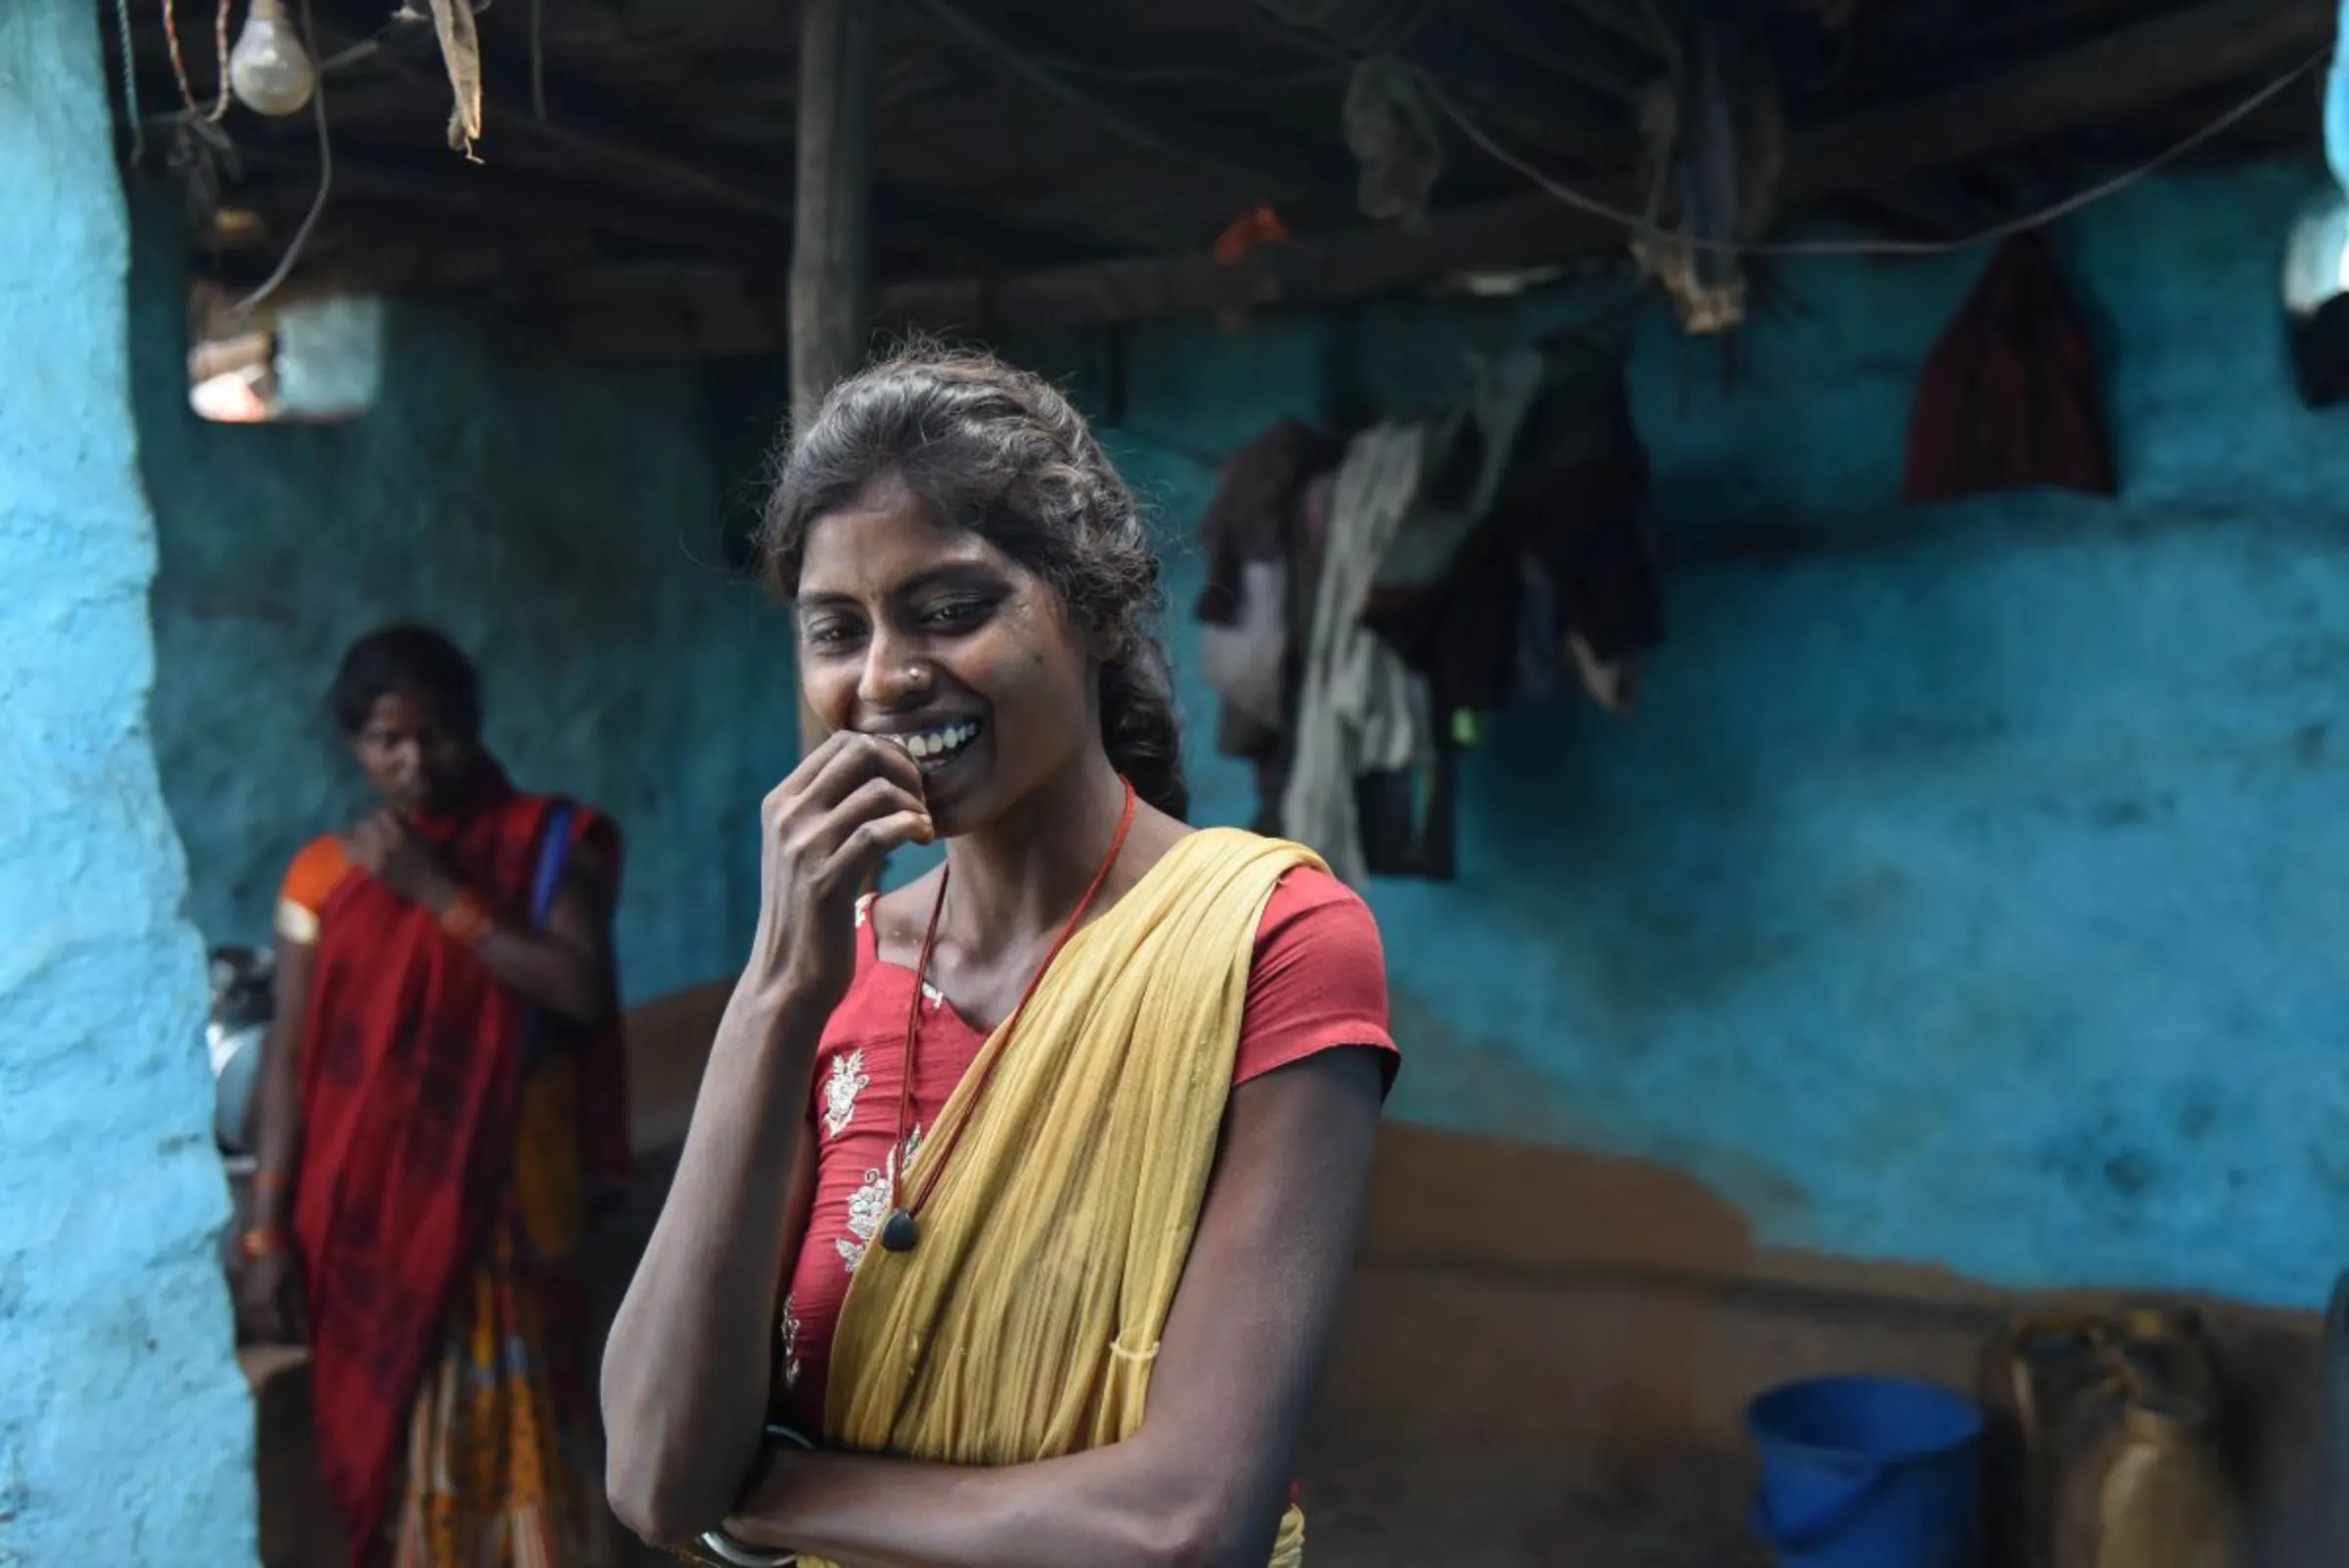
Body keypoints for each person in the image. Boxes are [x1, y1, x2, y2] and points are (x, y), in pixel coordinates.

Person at [601, 346, 1399, 1568]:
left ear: (1093, 608)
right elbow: (657, 1476)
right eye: (836, 628)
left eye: (952, 609)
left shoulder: (1271, 943)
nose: (885, 678)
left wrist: (774, 1498)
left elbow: (1189, 1525)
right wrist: (775, 994)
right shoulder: (828, 977)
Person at [240, 623, 628, 1568]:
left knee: (525, 1432)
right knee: (395, 1445)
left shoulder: (543, 844)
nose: (415, 760)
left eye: (437, 733)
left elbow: (576, 988)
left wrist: (437, 893)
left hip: (503, 1207)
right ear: (356, 748)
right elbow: (291, 1062)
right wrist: (264, 1233)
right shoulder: (326, 876)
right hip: (370, 1222)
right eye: (387, 741)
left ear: (473, 726)